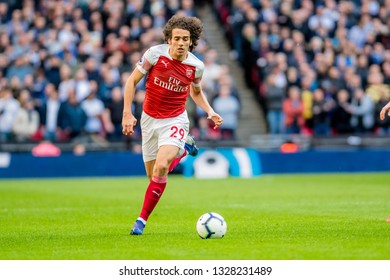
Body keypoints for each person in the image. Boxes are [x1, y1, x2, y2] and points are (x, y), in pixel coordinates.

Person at [121, 15, 223, 235]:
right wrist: (127, 113)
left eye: (185, 39)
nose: (180, 42)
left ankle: (141, 221)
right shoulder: (154, 54)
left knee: (161, 166)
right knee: (154, 177)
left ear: (191, 41)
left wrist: (210, 111)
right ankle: (185, 149)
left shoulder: (196, 66)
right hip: (149, 120)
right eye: (176, 38)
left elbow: (196, 92)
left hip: (175, 119)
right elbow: (131, 81)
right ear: (169, 39)